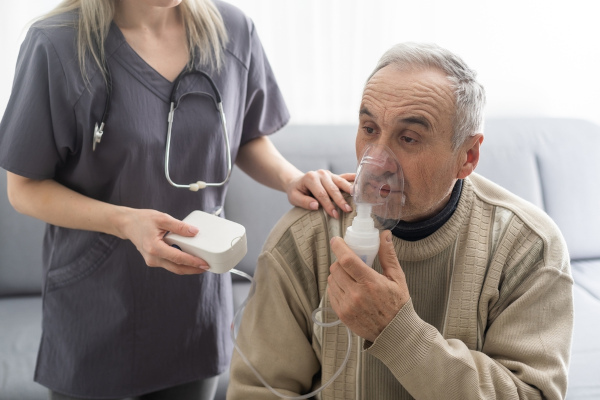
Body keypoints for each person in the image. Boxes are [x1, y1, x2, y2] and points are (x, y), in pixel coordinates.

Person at [0, 0, 354, 399]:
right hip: (94, 315)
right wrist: (124, 222)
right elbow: (24, 188)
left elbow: (246, 135)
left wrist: (290, 178)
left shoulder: (233, 31)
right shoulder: (58, 43)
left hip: (193, 313)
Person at [228, 42, 574, 399]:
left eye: (408, 138)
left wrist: (398, 332)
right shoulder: (303, 238)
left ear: (467, 156)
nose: (377, 162)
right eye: (369, 129)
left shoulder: (529, 247)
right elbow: (259, 390)